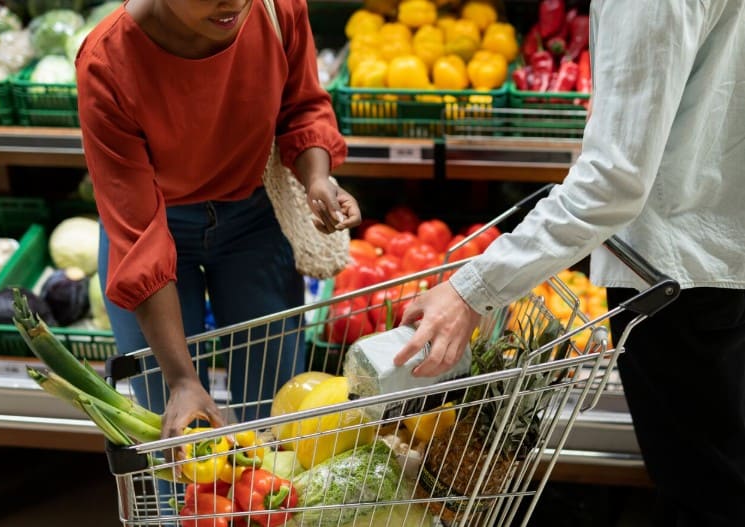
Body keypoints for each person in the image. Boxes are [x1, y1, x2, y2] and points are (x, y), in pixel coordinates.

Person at [394, 1, 745, 525]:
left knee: (705, 497)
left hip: (678, 273)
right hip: (717, 254)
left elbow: (613, 181)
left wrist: (472, 290)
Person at [76, 0, 361, 440]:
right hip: (153, 228)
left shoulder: (274, 9)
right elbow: (138, 235)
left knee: (274, 426)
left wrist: (316, 177)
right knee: (174, 434)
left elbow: (302, 105)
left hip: (255, 222)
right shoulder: (108, 61)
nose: (232, 2)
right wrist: (183, 381)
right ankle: (181, 510)